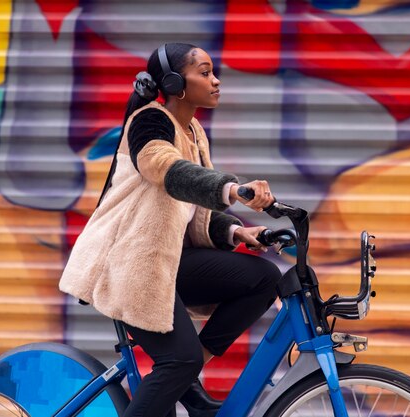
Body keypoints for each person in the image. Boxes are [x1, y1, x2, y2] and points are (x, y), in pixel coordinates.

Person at [59, 43, 282, 417]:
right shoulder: (149, 123)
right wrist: (232, 190)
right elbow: (168, 171)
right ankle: (183, 371)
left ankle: (190, 374)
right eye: (205, 72)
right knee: (177, 359)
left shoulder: (193, 131)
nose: (216, 80)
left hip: (163, 262)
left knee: (263, 278)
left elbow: (190, 211)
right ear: (176, 83)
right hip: (129, 265)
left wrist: (235, 232)